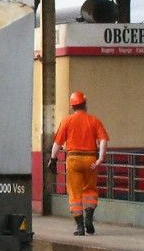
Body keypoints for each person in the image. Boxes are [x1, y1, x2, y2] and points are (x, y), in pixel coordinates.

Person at [47, 90, 110, 236]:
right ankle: (89, 218)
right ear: (85, 104)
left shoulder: (67, 121)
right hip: (90, 160)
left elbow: (57, 143)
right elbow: (103, 140)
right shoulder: (94, 120)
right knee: (90, 190)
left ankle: (80, 227)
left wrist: (53, 159)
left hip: (73, 159)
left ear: (72, 106)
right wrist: (100, 158)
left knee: (74, 193)